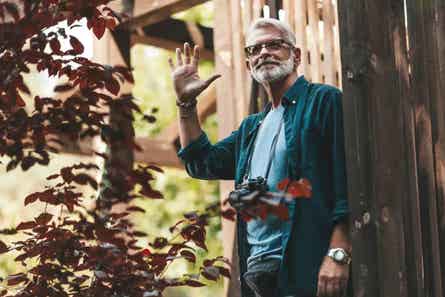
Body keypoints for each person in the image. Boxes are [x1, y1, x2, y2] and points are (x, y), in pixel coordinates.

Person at [168, 18, 352, 297]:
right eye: (255, 49)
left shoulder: (323, 101)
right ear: (248, 65)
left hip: (307, 267)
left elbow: (347, 180)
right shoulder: (250, 128)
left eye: (274, 45)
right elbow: (201, 162)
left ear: (296, 55)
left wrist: (338, 253)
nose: (264, 52)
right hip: (257, 274)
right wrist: (186, 105)